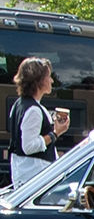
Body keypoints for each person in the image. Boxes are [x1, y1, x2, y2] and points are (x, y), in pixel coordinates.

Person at [7, 56, 70, 186]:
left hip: (26, 175)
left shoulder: (18, 104)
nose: (52, 80)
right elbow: (28, 147)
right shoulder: (34, 110)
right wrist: (55, 133)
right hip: (34, 179)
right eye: (48, 77)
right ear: (38, 81)